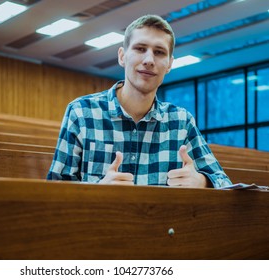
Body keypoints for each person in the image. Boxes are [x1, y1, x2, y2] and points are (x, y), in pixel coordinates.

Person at [47, 14, 232, 188]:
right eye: (140, 48)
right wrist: (97, 190)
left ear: (169, 64)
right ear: (122, 56)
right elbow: (54, 189)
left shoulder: (181, 121)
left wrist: (201, 181)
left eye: (159, 52)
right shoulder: (81, 112)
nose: (149, 60)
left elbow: (223, 182)